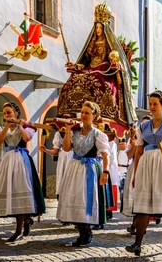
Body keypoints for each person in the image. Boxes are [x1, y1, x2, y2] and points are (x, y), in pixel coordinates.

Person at [126, 91, 162, 256]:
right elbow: (138, 152)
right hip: (146, 165)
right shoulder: (143, 126)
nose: (151, 107)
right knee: (143, 207)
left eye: (155, 104)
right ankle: (137, 244)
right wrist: (136, 174)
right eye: (150, 104)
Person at [56, 101, 110, 246]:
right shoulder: (75, 132)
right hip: (74, 167)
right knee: (74, 199)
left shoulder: (98, 134)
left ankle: (87, 231)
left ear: (94, 116)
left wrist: (105, 171)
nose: (84, 115)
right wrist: (67, 130)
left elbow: (105, 154)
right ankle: (81, 232)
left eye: (87, 113)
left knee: (85, 200)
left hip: (89, 169)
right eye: (83, 112)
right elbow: (67, 149)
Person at [0, 102, 46, 242]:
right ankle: (27, 220)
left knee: (21, 190)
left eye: (9, 113)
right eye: (4, 113)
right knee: (12, 192)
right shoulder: (0, 129)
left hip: (22, 161)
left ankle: (18, 231)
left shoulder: (26, 127)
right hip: (8, 161)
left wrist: (19, 125)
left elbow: (27, 138)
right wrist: (7, 125)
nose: (6, 115)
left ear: (16, 114)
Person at [123, 116, 151, 236]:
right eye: (142, 124)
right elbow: (129, 156)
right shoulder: (134, 138)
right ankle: (136, 224)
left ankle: (137, 225)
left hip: (147, 167)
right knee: (134, 196)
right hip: (135, 166)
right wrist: (134, 145)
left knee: (143, 197)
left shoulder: (152, 139)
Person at [39, 131, 73, 203]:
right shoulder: (59, 133)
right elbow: (55, 151)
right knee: (62, 178)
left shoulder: (77, 131)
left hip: (74, 158)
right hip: (63, 160)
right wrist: (45, 150)